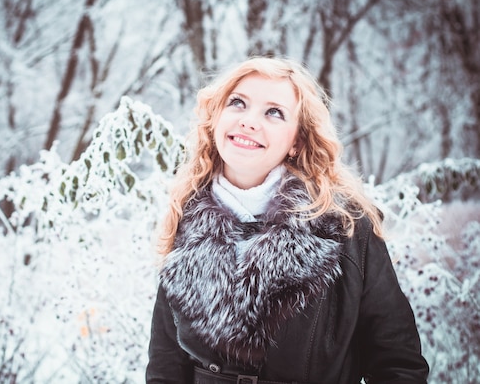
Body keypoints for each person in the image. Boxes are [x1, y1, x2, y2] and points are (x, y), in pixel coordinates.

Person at [145, 56, 429, 383]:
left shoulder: (345, 226)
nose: (249, 121)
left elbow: (398, 364)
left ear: (296, 142)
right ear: (215, 119)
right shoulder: (185, 220)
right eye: (238, 103)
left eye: (274, 112)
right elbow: (165, 368)